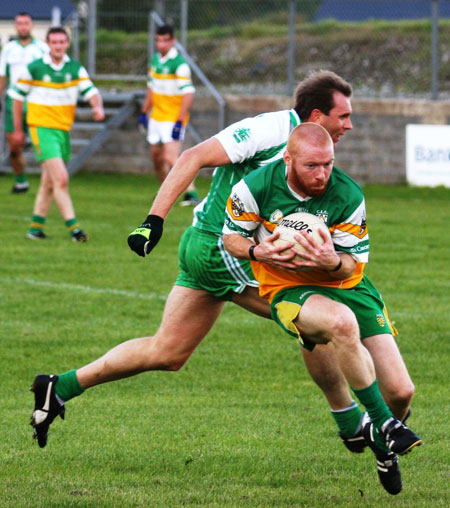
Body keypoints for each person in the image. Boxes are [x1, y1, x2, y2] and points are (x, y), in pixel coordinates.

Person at [31, 71, 412, 494]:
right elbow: (193, 155)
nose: (349, 125)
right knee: (318, 317)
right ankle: (353, 422)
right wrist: (153, 220)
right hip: (221, 248)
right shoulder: (271, 131)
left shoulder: (314, 158)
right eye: (344, 116)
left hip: (209, 249)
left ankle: (59, 387)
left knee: (168, 351)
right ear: (318, 116)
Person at [222, 122, 422, 484]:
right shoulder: (254, 187)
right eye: (312, 166)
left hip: (348, 284)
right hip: (287, 286)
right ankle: (385, 424)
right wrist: (258, 250)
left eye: (328, 164)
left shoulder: (347, 194)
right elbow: (231, 237)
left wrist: (330, 261)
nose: (322, 174)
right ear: (288, 159)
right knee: (340, 324)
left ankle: (380, 441)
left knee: (402, 391)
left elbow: (352, 263)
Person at [8, 26, 104, 241]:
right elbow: (16, 97)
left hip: (62, 130)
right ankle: (74, 229)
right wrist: (16, 129)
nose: (58, 46)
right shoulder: (35, 68)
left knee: (49, 181)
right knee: (61, 178)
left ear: (67, 44)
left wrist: (97, 107)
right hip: (41, 128)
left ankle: (35, 228)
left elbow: (92, 91)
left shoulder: (75, 68)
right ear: (48, 44)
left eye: (62, 42)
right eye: (54, 42)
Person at [139, 24, 199, 206]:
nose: (161, 44)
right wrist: (144, 111)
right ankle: (164, 194)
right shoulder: (155, 60)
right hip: (156, 117)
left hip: (172, 118)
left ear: (173, 41)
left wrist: (180, 121)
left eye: (166, 40)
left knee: (170, 157)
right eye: (158, 40)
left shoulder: (179, 64)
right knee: (156, 159)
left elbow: (188, 94)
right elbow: (151, 88)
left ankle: (192, 194)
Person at [0, 12, 48, 193]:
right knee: (14, 146)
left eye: (26, 23)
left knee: (43, 146)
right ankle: (21, 182)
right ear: (15, 26)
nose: (23, 27)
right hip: (14, 101)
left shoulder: (42, 49)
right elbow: (2, 76)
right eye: (19, 24)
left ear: (32, 25)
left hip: (37, 101)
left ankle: (49, 181)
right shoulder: (8, 48)